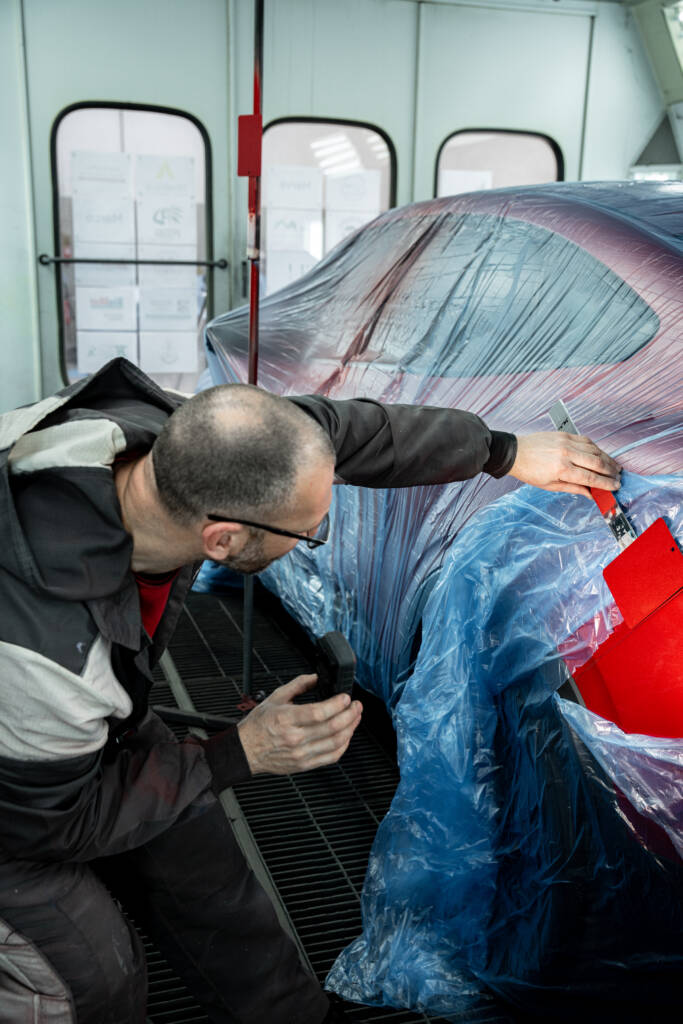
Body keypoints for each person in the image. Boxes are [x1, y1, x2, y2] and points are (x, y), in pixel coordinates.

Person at [0, 357, 621, 1024]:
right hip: (21, 820)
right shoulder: (50, 660)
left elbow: (340, 432)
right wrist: (237, 754)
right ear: (223, 539)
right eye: (304, 531)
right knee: (93, 980)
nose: (312, 540)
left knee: (210, 884)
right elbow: (49, 824)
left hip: (82, 742)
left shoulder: (182, 441)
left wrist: (502, 452)